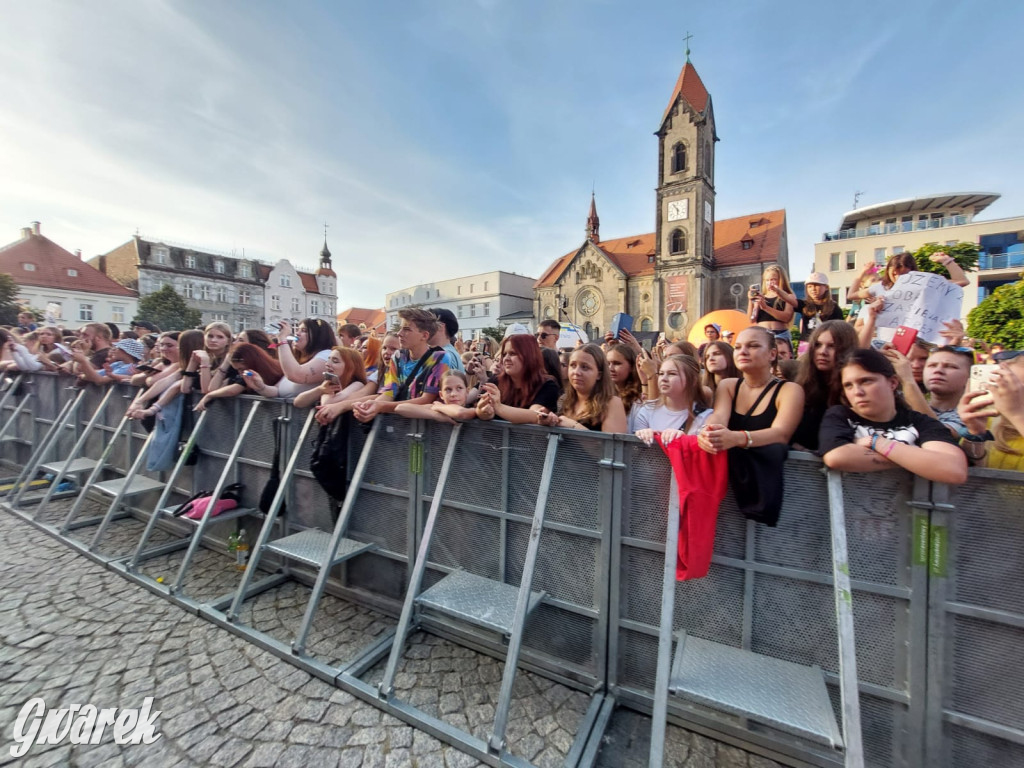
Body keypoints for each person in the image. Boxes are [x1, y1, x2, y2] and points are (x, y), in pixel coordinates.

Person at [820, 348, 967, 484]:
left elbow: (954, 469)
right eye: (848, 385)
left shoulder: (919, 421)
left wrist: (877, 442)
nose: (857, 391)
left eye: (866, 381)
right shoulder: (840, 415)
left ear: (893, 383)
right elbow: (836, 456)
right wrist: (918, 460)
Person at [698, 326, 805, 454]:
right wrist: (708, 431)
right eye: (737, 347)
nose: (743, 351)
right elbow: (719, 416)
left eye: (753, 346)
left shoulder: (789, 390)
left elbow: (781, 434)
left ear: (772, 354)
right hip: (728, 470)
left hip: (767, 470)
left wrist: (736, 438)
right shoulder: (727, 386)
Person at [354, 308, 449, 422]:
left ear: (424, 336)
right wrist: (373, 405)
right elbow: (389, 392)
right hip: (399, 426)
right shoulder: (399, 357)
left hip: (427, 427)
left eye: (407, 329)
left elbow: (426, 399)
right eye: (400, 329)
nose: (399, 333)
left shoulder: (439, 358)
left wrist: (381, 406)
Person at [792, 320, 859, 451]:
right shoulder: (800, 387)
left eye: (832, 346)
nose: (822, 352)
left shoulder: (855, 391)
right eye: (818, 345)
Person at [958, 349, 1024, 470]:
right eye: (1007, 385)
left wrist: (1017, 416)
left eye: (1019, 389)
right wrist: (975, 433)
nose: (1014, 394)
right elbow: (974, 478)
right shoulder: (991, 422)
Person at [540, 343, 627, 433]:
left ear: (599, 375)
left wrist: (572, 425)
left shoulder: (612, 403)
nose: (576, 372)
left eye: (585, 367)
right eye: (573, 365)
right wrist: (548, 422)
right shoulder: (564, 400)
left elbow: (612, 446)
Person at [476, 333, 561, 424]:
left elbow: (534, 415)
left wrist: (498, 407)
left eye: (513, 353)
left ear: (529, 355)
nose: (506, 359)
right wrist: (485, 412)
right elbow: (479, 409)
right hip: (494, 437)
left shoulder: (547, 384)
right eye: (504, 354)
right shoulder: (496, 380)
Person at [634, 354, 712, 445]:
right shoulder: (647, 409)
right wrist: (641, 436)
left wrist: (685, 440)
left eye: (672, 374)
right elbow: (632, 453)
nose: (663, 379)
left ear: (693, 381)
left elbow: (704, 455)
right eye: (661, 373)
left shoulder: (706, 416)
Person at [195, 343, 284, 410]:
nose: (240, 372)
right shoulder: (276, 366)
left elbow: (232, 390)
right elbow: (213, 388)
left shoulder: (251, 375)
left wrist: (208, 396)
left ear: (251, 363)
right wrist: (226, 363)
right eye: (237, 369)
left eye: (241, 369)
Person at [272, 318, 336, 392]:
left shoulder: (327, 355)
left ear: (318, 336)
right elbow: (276, 390)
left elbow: (296, 375)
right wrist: (260, 386)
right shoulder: (300, 361)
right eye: (298, 330)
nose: (297, 333)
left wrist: (282, 339)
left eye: (304, 331)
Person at [397, 370, 478, 424]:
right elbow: (400, 408)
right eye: (448, 389)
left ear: (467, 392)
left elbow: (460, 412)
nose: (453, 394)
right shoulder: (436, 408)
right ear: (441, 395)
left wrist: (440, 407)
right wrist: (435, 415)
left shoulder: (472, 410)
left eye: (459, 388)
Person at [748, 265, 797, 343]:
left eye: (773, 279)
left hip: (780, 334)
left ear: (781, 280)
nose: (769, 283)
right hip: (762, 334)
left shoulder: (788, 296)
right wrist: (751, 301)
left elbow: (787, 317)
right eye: (767, 280)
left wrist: (766, 307)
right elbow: (751, 319)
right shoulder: (762, 296)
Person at [796, 273, 844, 352]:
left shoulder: (834, 307)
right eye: (810, 286)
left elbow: (840, 329)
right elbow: (789, 300)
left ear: (826, 287)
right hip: (806, 343)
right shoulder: (804, 304)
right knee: (803, 363)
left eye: (817, 285)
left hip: (825, 344)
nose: (813, 289)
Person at [606, 342, 646, 430]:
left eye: (617, 363)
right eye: (607, 363)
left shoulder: (638, 400)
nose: (610, 368)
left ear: (631, 367)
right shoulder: (600, 394)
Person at [429, 308, 465, 372]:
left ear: (440, 327)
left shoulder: (443, 355)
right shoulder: (449, 351)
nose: (422, 328)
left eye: (427, 324)